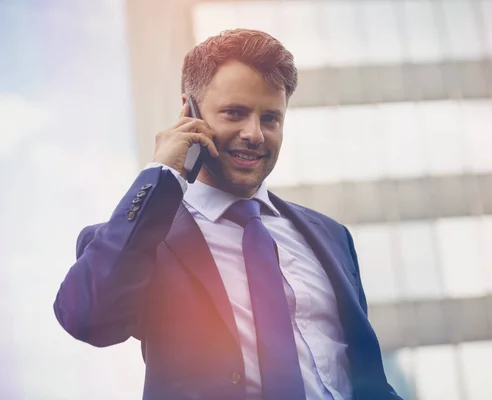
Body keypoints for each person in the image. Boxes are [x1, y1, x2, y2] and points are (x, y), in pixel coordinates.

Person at [53, 28, 401, 400]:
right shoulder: (142, 237)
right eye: (235, 113)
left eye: (271, 119)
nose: (255, 134)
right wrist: (161, 175)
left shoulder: (332, 237)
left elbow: (364, 376)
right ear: (189, 112)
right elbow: (87, 319)